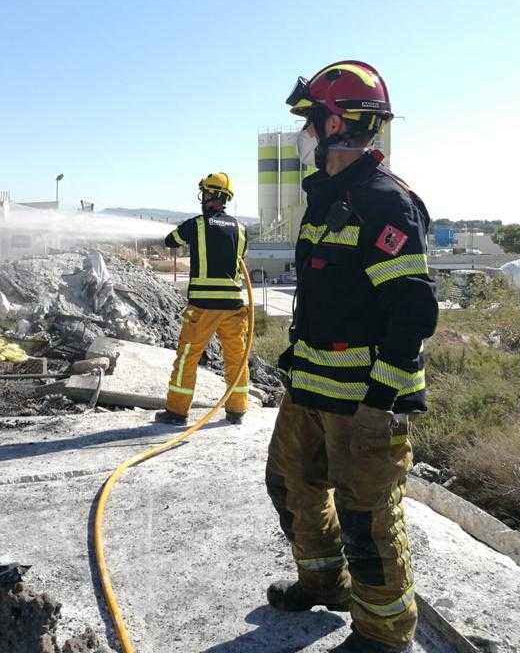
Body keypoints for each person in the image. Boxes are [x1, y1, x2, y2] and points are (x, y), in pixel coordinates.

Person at [264, 61, 438, 653]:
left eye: (312, 120)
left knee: (366, 522)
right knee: (290, 485)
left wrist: (379, 403)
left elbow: (413, 311)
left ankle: (383, 635)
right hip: (310, 387)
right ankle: (322, 583)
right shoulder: (327, 197)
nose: (304, 134)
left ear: (340, 124)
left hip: (362, 399)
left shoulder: (383, 202)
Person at [156, 173, 249, 426]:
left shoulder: (196, 225)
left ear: (215, 196)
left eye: (206, 193)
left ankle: (177, 412)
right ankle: (237, 409)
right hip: (233, 308)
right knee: (236, 357)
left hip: (203, 307)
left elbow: (170, 241)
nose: (203, 198)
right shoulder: (241, 230)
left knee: (188, 357)